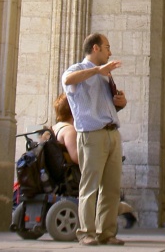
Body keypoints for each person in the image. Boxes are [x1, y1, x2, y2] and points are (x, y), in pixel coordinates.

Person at [62, 33, 127, 246]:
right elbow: (66, 80)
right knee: (89, 186)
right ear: (96, 48)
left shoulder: (106, 75)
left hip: (112, 132)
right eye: (107, 47)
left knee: (111, 188)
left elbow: (107, 104)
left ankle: (106, 232)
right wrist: (97, 70)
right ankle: (86, 232)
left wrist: (121, 102)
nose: (110, 52)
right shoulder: (78, 69)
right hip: (91, 134)